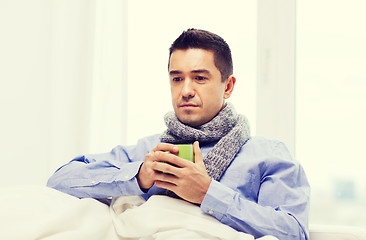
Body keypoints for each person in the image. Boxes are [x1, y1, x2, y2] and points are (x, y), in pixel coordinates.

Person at [47, 28, 310, 240]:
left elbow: (294, 232)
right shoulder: (149, 152)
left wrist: (209, 194)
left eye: (199, 78)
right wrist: (139, 176)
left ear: (228, 86)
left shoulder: (267, 154)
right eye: (176, 78)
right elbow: (60, 180)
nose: (185, 90)